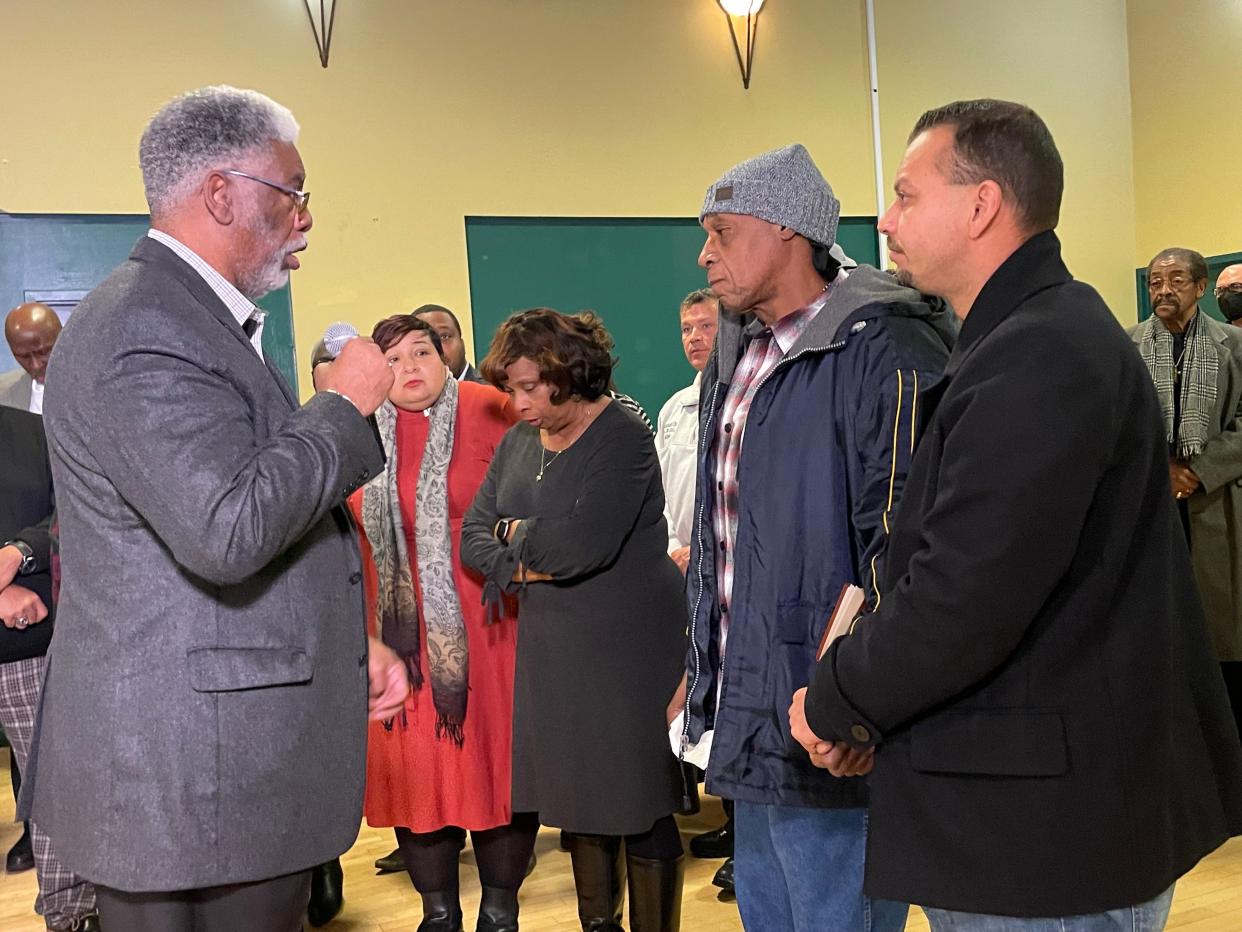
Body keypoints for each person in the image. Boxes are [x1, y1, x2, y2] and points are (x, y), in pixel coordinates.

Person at [791, 98, 1242, 930]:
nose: (886, 220)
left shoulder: (1038, 350)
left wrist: (836, 696)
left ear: (982, 204)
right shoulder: (1028, 336)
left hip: (1047, 838)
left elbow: (965, 598)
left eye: (905, 194)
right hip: (1031, 817)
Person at [23, 85, 408, 932]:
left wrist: (348, 641)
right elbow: (227, 529)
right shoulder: (144, 326)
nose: (306, 216)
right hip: (191, 774)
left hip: (211, 771)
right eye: (293, 191)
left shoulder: (186, 319)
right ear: (222, 193)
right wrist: (342, 408)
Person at [672, 143, 951, 932]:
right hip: (749, 714)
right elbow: (723, 542)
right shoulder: (737, 356)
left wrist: (858, 707)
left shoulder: (887, 350)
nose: (705, 252)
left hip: (827, 726)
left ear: (788, 232)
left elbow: (901, 548)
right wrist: (700, 680)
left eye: (722, 232)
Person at [462, 309, 687, 932]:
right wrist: (530, 555)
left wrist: (517, 545)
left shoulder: (622, 433)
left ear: (570, 372)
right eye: (511, 387)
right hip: (554, 643)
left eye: (530, 386)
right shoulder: (516, 442)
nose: (518, 401)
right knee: (578, 802)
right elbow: (473, 539)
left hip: (628, 642)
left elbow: (585, 546)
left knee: (638, 800)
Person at [352, 313, 533, 932]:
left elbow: (541, 491)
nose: (410, 369)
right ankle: (438, 911)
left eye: (422, 352)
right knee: (418, 773)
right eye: (394, 358)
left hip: (490, 628)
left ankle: (502, 908)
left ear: (446, 355)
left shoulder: (491, 407)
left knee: (496, 767)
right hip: (395, 637)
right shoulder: (354, 430)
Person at [1132, 247, 1242, 737]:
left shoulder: (1233, 346)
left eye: (1177, 280)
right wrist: (1162, 469)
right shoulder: (1128, 345)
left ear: (1202, 288)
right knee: (1157, 619)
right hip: (1150, 500)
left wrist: (1198, 470)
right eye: (1156, 281)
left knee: (1219, 623)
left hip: (1215, 501)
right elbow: (1115, 421)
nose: (1163, 290)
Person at [0, 406, 98, 930]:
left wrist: (18, 554)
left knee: (59, 782)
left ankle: (73, 915)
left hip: (26, 648)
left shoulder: (30, 430)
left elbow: (70, 509)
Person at [652, 288, 734, 891]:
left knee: (734, 695)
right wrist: (670, 550)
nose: (695, 338)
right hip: (680, 568)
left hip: (729, 570)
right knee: (688, 690)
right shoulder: (675, 408)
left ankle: (743, 827)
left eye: (705, 326)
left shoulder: (746, 395)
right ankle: (722, 814)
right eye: (686, 329)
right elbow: (660, 495)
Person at [0, 303, 62, 413]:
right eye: (24, 356)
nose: (36, 365)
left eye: (44, 352)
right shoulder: (3, 392)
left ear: (63, 339)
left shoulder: (96, 385)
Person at [414, 304, 487, 384]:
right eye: (422, 341)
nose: (436, 348)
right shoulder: (403, 395)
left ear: (462, 343)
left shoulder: (495, 392)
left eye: (444, 336)